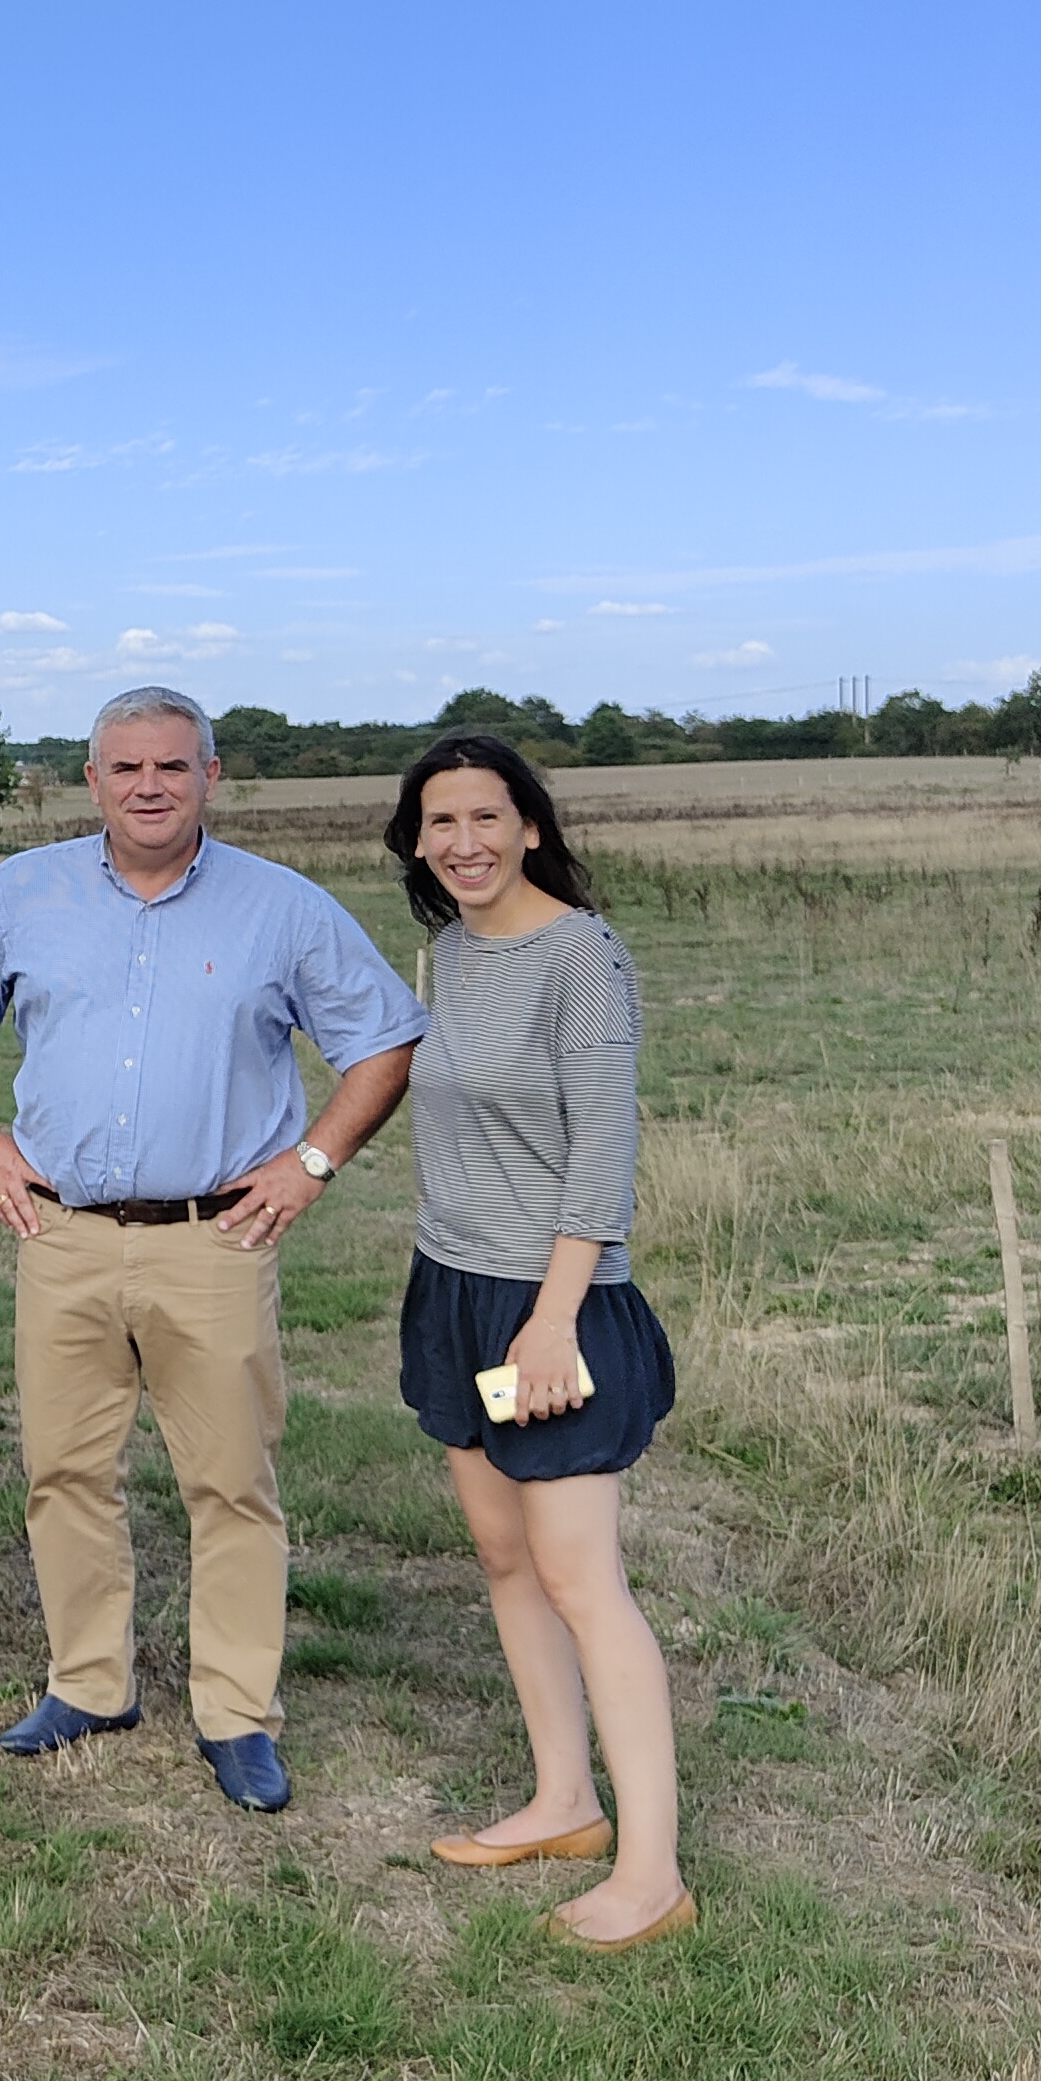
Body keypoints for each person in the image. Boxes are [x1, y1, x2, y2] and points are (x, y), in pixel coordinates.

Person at [0, 685, 422, 1809]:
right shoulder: (22, 891)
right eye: (126, 768)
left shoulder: (281, 910)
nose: (149, 787)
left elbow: (383, 1039)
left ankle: (237, 1713)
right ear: (88, 779)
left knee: (231, 1482)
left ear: (211, 777)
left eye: (172, 768)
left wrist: (312, 1162)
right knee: (63, 1472)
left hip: (215, 1240)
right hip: (65, 1235)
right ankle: (88, 1682)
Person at [385, 731, 691, 1948]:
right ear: (418, 838)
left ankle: (652, 1872)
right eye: (439, 822)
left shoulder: (583, 957)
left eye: (484, 819)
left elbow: (600, 1156)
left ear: (530, 828)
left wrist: (555, 1319)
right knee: (507, 1564)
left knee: (580, 1579)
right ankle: (563, 1803)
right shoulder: (451, 954)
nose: (462, 843)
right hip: (451, 1288)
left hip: (548, 1304)